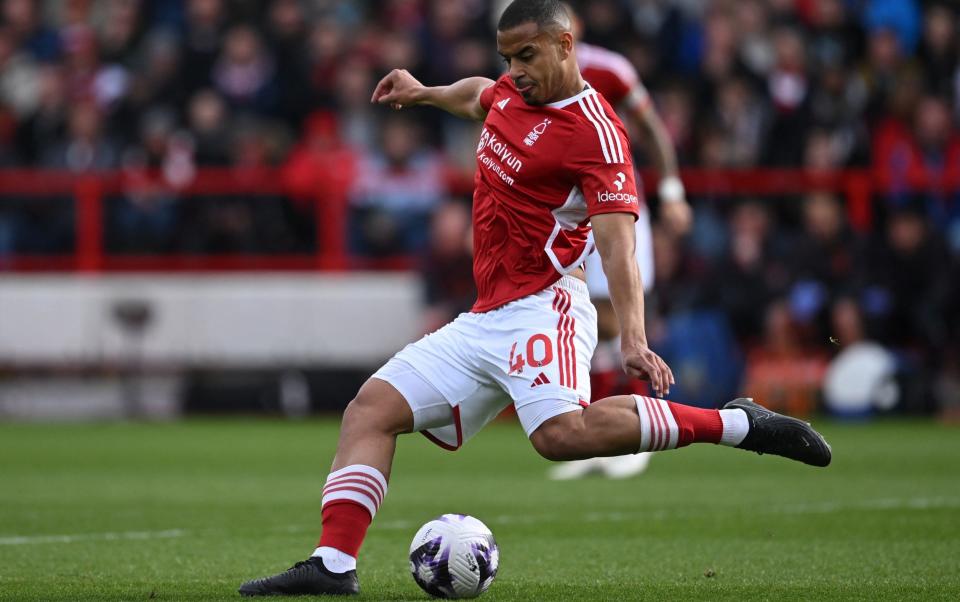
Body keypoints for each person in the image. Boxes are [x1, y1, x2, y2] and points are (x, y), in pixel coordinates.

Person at [238, 1, 831, 596]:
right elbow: (480, 96)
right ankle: (333, 566)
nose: (515, 70)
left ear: (565, 45)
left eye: (527, 56)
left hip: (546, 303)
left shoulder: (596, 132)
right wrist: (423, 92)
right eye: (508, 58)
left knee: (558, 436)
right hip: (485, 313)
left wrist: (632, 336)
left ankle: (736, 424)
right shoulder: (513, 92)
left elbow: (617, 242)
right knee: (371, 409)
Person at [549, 2, 693, 481]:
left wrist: (672, 191)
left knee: (616, 318)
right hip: (566, 217)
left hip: (617, 208)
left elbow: (652, 129)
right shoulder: (530, 78)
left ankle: (633, 440)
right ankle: (597, 440)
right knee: (583, 323)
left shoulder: (611, 69)